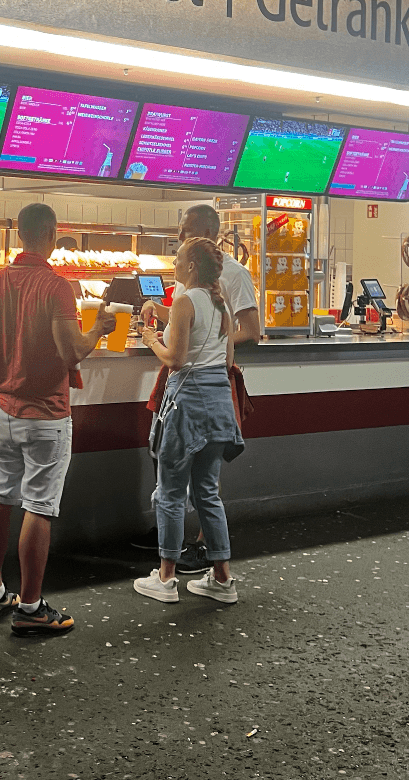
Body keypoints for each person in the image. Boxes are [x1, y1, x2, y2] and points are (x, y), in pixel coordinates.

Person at [0, 202, 116, 635]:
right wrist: (99, 330)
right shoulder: (57, 287)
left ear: (19, 235)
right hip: (46, 416)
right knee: (39, 506)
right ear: (51, 235)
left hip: (2, 411)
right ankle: (31, 606)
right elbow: (72, 350)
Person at [138, 202, 260, 572]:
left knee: (176, 482)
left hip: (192, 387)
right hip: (213, 390)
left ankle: (176, 563)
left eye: (185, 232)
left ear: (207, 233)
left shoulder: (233, 275)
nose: (178, 239)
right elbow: (198, 319)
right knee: (203, 484)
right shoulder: (200, 289)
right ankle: (214, 568)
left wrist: (171, 341)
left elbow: (251, 332)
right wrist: (162, 311)